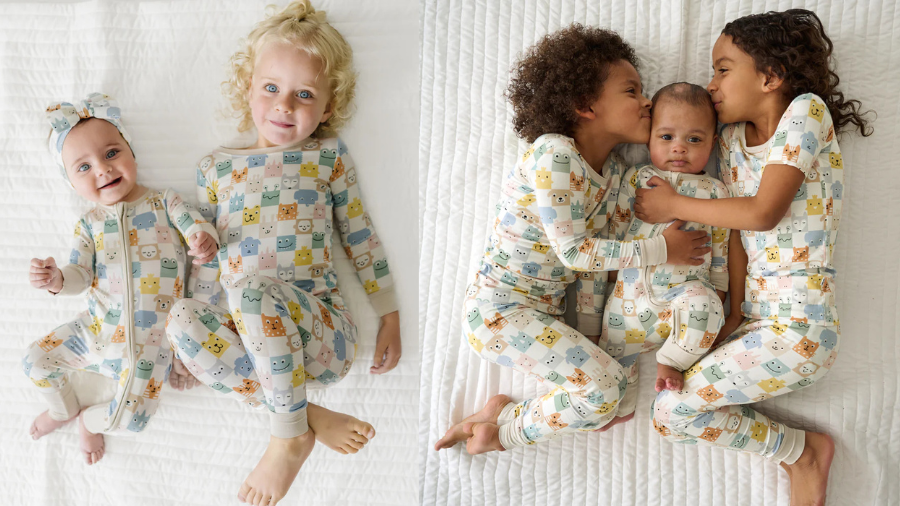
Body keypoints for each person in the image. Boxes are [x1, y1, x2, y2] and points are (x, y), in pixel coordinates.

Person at [164, 2, 402, 504]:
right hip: (253, 350)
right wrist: (193, 345)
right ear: (247, 88)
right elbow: (208, 267)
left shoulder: (326, 157)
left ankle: (289, 437)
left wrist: (389, 314)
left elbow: (360, 235)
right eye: (271, 88)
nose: (285, 106)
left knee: (251, 292)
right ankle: (304, 419)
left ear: (328, 107)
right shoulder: (215, 168)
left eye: (304, 95)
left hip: (323, 337)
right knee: (181, 318)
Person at [434, 25, 710, 456]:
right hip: (498, 314)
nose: (647, 102)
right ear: (585, 105)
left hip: (546, 312)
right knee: (605, 393)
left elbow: (596, 275)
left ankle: (500, 415)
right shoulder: (555, 154)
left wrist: (597, 342)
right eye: (632, 91)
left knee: (611, 405)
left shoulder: (616, 174)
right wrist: (662, 250)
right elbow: (576, 252)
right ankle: (499, 434)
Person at [634, 10, 872, 506]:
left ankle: (804, 454)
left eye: (723, 69)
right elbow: (735, 235)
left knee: (671, 411)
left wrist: (673, 204)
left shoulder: (805, 112)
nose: (711, 84)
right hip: (755, 320)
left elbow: (762, 213)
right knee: (669, 413)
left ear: (770, 76)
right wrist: (735, 311)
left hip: (801, 328)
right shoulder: (728, 140)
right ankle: (800, 451)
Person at [25, 92, 217, 465]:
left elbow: (195, 226)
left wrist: (201, 237)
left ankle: (90, 421)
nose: (103, 169)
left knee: (132, 419)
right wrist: (57, 279)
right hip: (95, 330)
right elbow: (80, 274)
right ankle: (63, 409)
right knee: (34, 360)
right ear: (71, 183)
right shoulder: (89, 224)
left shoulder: (165, 202)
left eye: (112, 153)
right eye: (84, 167)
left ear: (132, 152)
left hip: (151, 344)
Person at [602, 82, 730, 419]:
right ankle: (620, 408)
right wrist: (610, 277)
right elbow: (615, 228)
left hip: (684, 299)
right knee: (613, 367)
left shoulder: (715, 191)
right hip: (628, 301)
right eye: (667, 136)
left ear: (712, 143)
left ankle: (672, 360)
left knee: (707, 308)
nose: (679, 148)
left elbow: (720, 247)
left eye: (694, 139)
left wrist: (718, 290)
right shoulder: (637, 178)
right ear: (649, 139)